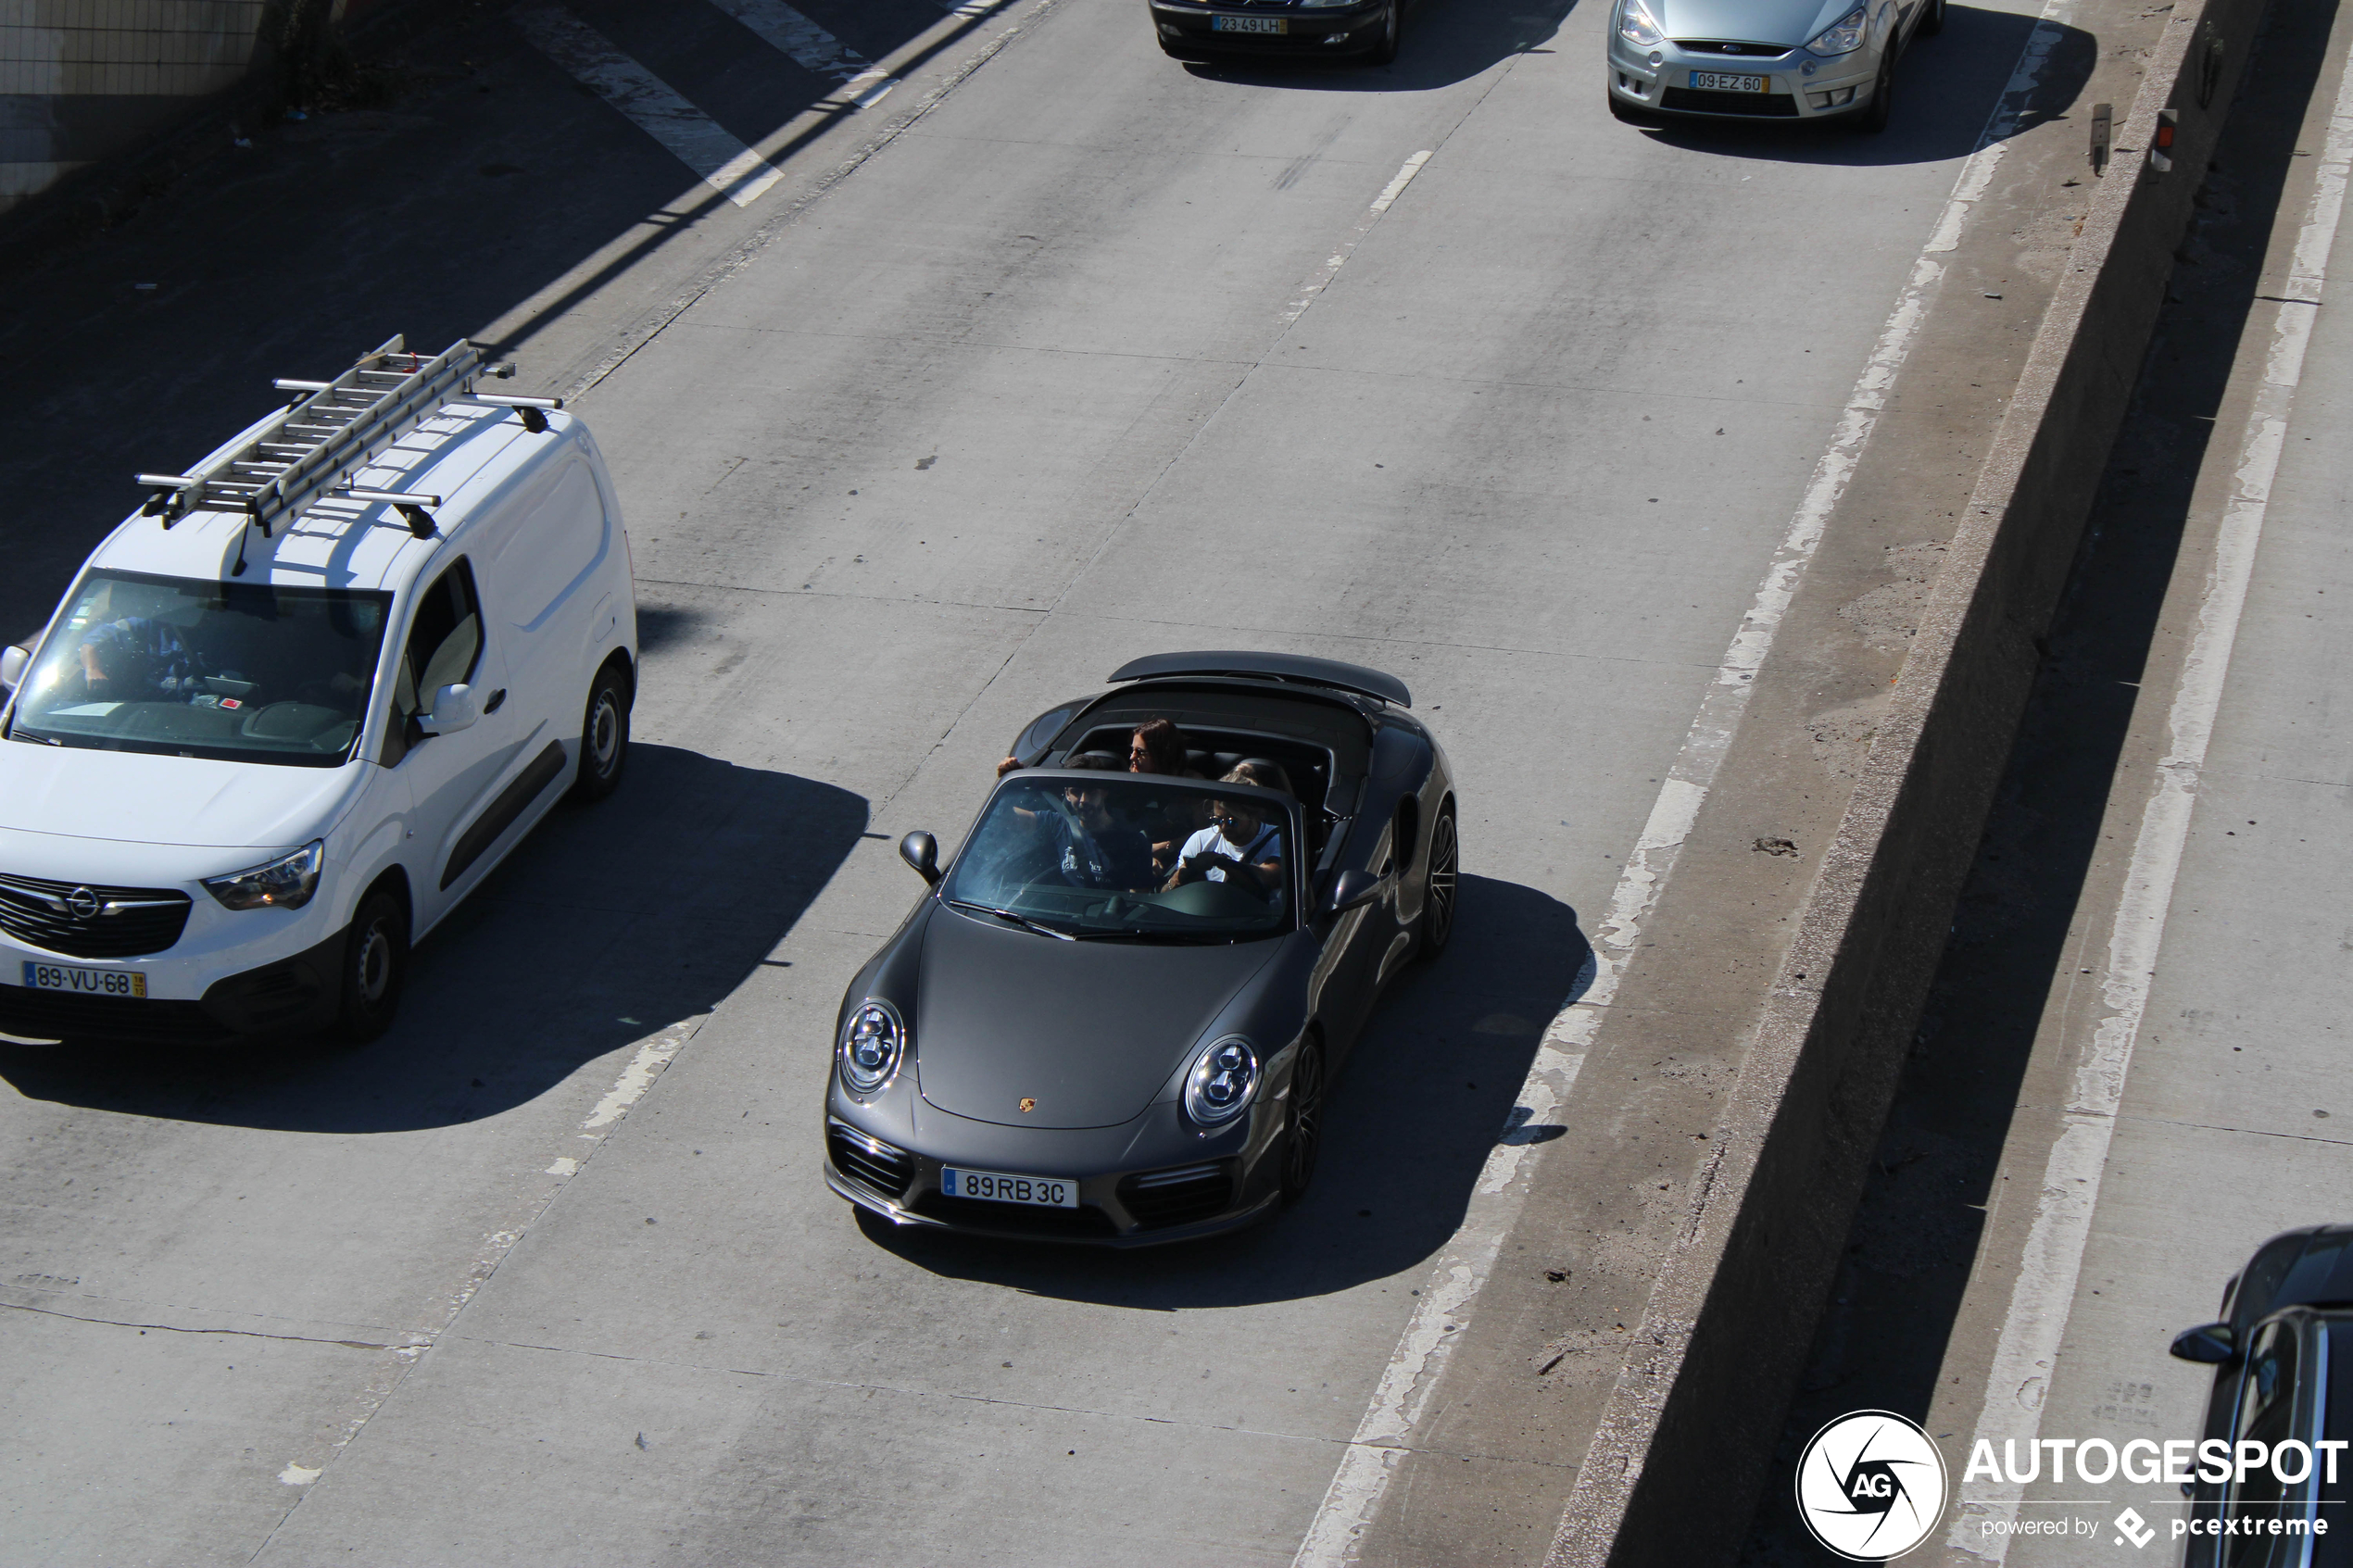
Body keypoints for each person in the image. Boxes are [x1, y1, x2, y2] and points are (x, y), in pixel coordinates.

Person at [1164, 762, 1289, 897]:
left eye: (1231, 821)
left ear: (1251, 815)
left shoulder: (1279, 840)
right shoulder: (1200, 841)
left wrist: (1220, 861)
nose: (1223, 828)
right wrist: (1179, 877)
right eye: (1217, 820)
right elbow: (1166, 893)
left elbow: (1267, 877)